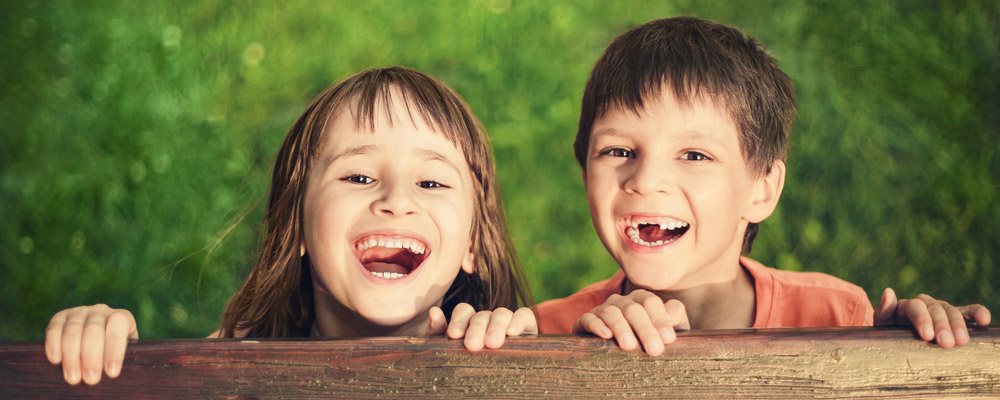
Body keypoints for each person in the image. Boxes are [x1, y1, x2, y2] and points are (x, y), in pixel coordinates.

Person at [45, 67, 537, 385]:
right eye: (358, 175)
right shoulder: (228, 372)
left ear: (473, 242)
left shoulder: (497, 355)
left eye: (431, 183)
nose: (395, 201)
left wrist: (506, 368)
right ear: (297, 225)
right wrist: (103, 351)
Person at [534, 17, 991, 356]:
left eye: (694, 155)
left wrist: (898, 348)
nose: (646, 180)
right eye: (617, 151)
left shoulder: (836, 317)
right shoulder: (551, 329)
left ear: (762, 189)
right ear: (585, 175)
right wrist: (578, 365)